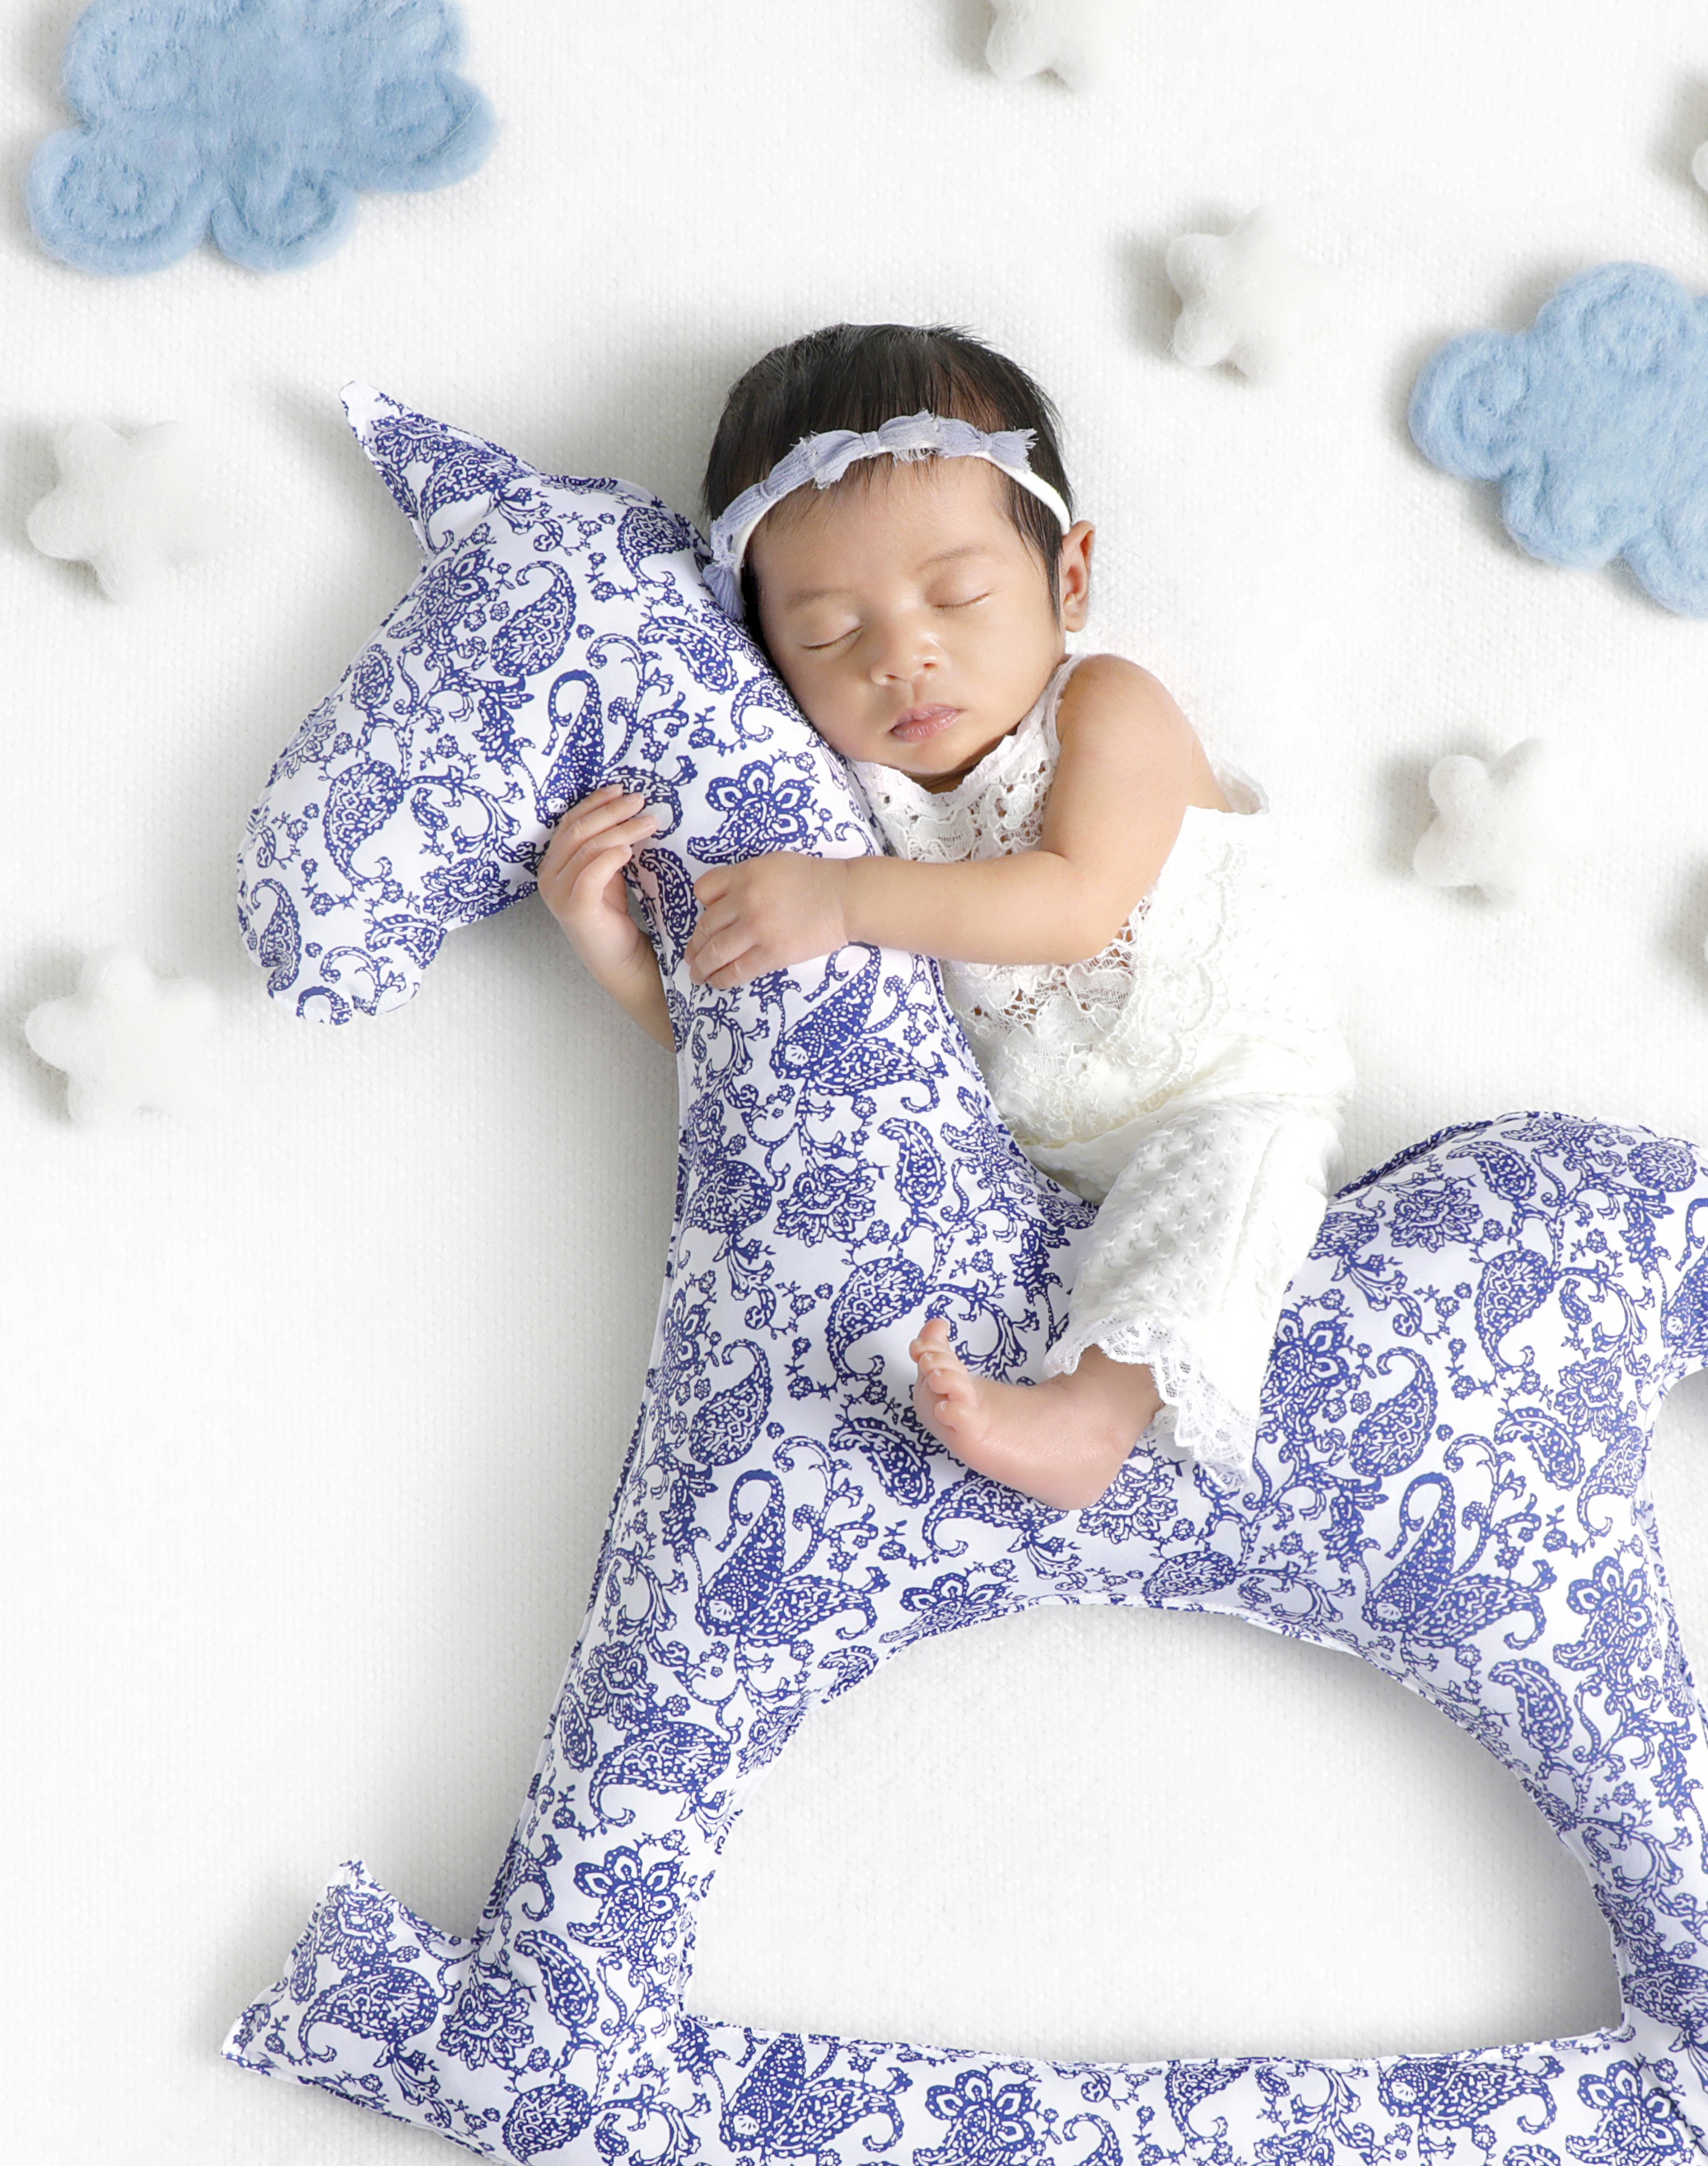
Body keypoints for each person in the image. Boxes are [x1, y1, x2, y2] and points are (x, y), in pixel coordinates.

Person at [535, 322, 1351, 1509]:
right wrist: (611, 942)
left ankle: (1094, 1416)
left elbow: (1073, 901)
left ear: (1067, 580)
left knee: (1225, 1190)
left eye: (957, 595)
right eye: (827, 630)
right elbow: (782, 1042)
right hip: (1017, 1165)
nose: (904, 657)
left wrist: (845, 899)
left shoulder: (1106, 710)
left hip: (1223, 1089)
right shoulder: (850, 806)